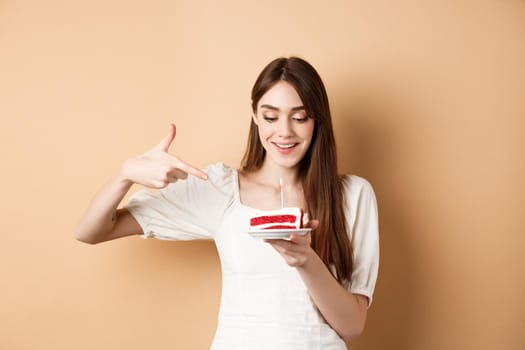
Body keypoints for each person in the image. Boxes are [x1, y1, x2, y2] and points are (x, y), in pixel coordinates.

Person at [75, 56, 379, 349]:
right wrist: (125, 175)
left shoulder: (353, 196)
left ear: (317, 119)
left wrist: (306, 260)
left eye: (299, 117)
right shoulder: (220, 189)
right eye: (271, 116)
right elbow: (91, 231)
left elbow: (352, 326)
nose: (284, 131)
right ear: (254, 114)